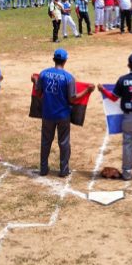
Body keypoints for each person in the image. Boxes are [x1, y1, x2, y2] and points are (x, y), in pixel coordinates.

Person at [32, 48, 94, 177]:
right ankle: (64, 170)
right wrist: (87, 91)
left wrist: (35, 80)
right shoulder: (68, 78)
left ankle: (43, 169)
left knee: (45, 141)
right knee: (64, 142)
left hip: (47, 114)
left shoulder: (43, 74)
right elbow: (72, 98)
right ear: (65, 60)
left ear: (54, 59)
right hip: (62, 115)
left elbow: (38, 92)